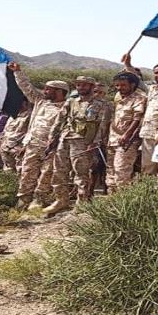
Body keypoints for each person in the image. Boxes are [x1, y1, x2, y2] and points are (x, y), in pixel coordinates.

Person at [8, 62, 68, 210]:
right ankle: (23, 199)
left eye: (48, 89)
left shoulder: (67, 107)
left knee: (46, 174)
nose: (45, 91)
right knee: (27, 171)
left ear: (59, 91)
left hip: (52, 147)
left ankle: (39, 199)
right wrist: (17, 72)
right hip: (33, 144)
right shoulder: (41, 102)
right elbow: (26, 87)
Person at [46, 76, 110, 214]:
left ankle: (82, 202)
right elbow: (60, 120)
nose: (81, 87)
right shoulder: (71, 101)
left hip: (84, 142)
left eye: (84, 85)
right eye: (78, 85)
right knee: (59, 171)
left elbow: (103, 125)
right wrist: (52, 137)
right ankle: (60, 200)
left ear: (92, 87)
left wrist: (96, 142)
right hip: (65, 139)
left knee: (81, 173)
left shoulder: (101, 104)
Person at [106, 72, 146, 190]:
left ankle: (123, 198)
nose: (119, 88)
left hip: (127, 141)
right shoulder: (118, 98)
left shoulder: (139, 98)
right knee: (111, 172)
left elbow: (137, 119)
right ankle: (112, 197)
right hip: (113, 140)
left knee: (122, 172)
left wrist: (126, 135)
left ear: (132, 85)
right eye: (117, 85)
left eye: (123, 85)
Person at [0, 101, 31, 173]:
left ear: (24, 103)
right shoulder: (12, 116)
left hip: (17, 149)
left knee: (20, 172)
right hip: (6, 147)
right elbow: (5, 131)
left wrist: (24, 147)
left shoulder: (30, 116)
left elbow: (30, 133)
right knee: (8, 172)